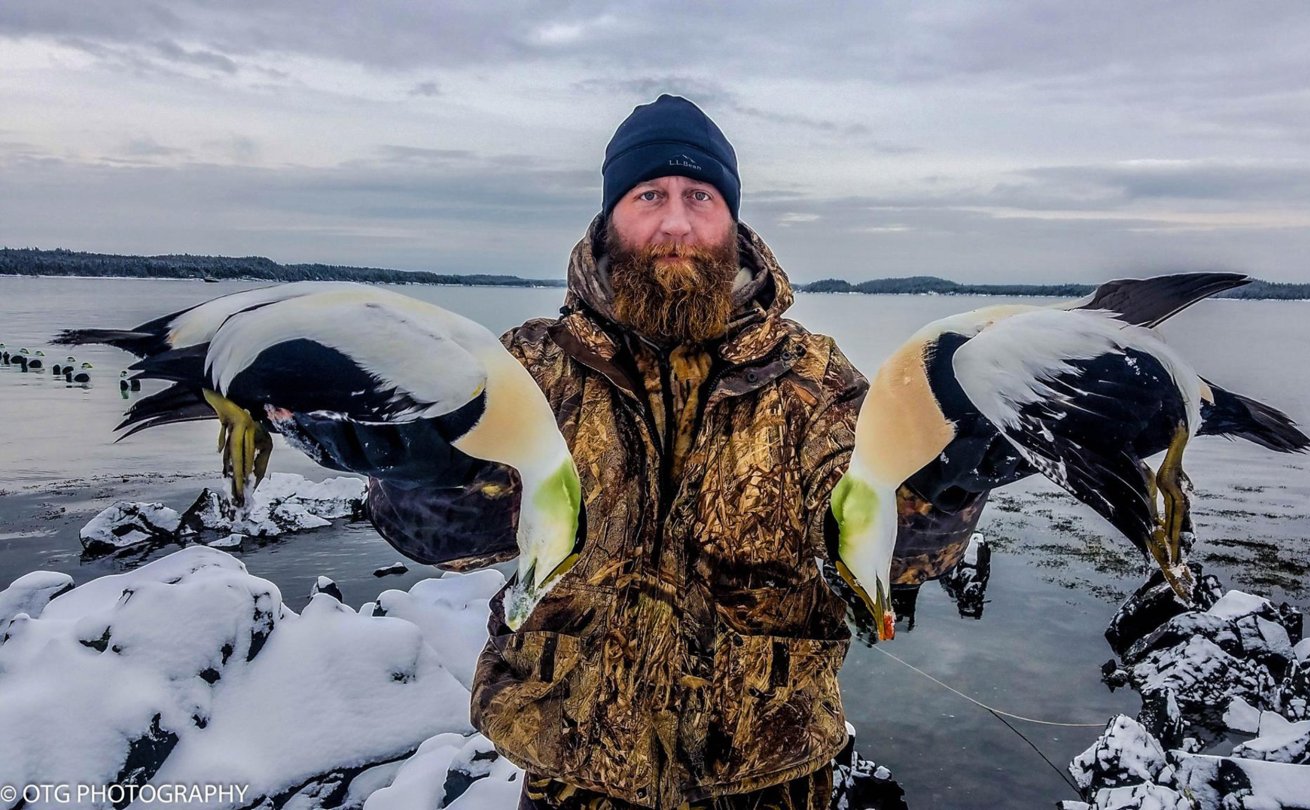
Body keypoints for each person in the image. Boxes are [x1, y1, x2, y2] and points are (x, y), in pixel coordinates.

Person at [362, 95, 987, 809]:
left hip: (767, 772)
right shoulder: (530, 368)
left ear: (732, 220)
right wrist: (413, 473)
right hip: (575, 768)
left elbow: (885, 549)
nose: (676, 222)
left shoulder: (813, 378)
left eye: (700, 196)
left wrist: (948, 483)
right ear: (609, 217)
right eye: (649, 194)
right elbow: (457, 542)